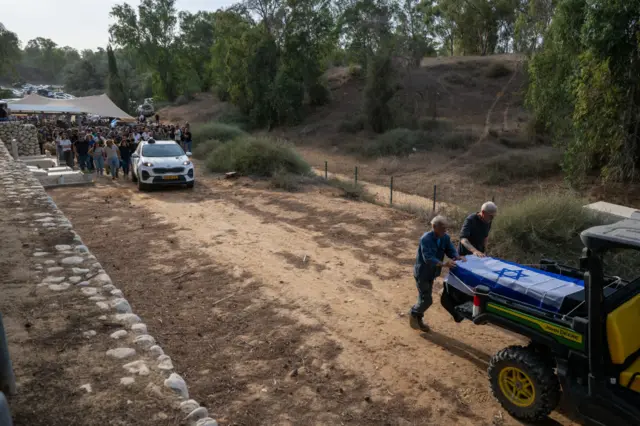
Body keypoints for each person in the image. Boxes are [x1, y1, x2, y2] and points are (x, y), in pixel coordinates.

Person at [409, 215, 466, 332]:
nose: (445, 230)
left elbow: (450, 249)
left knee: (423, 297)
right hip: (423, 273)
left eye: (446, 228)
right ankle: (414, 313)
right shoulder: (426, 239)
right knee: (427, 300)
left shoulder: (444, 237)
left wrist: (457, 256)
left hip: (432, 273)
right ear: (434, 227)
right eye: (442, 228)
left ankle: (418, 319)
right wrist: (444, 264)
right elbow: (428, 258)